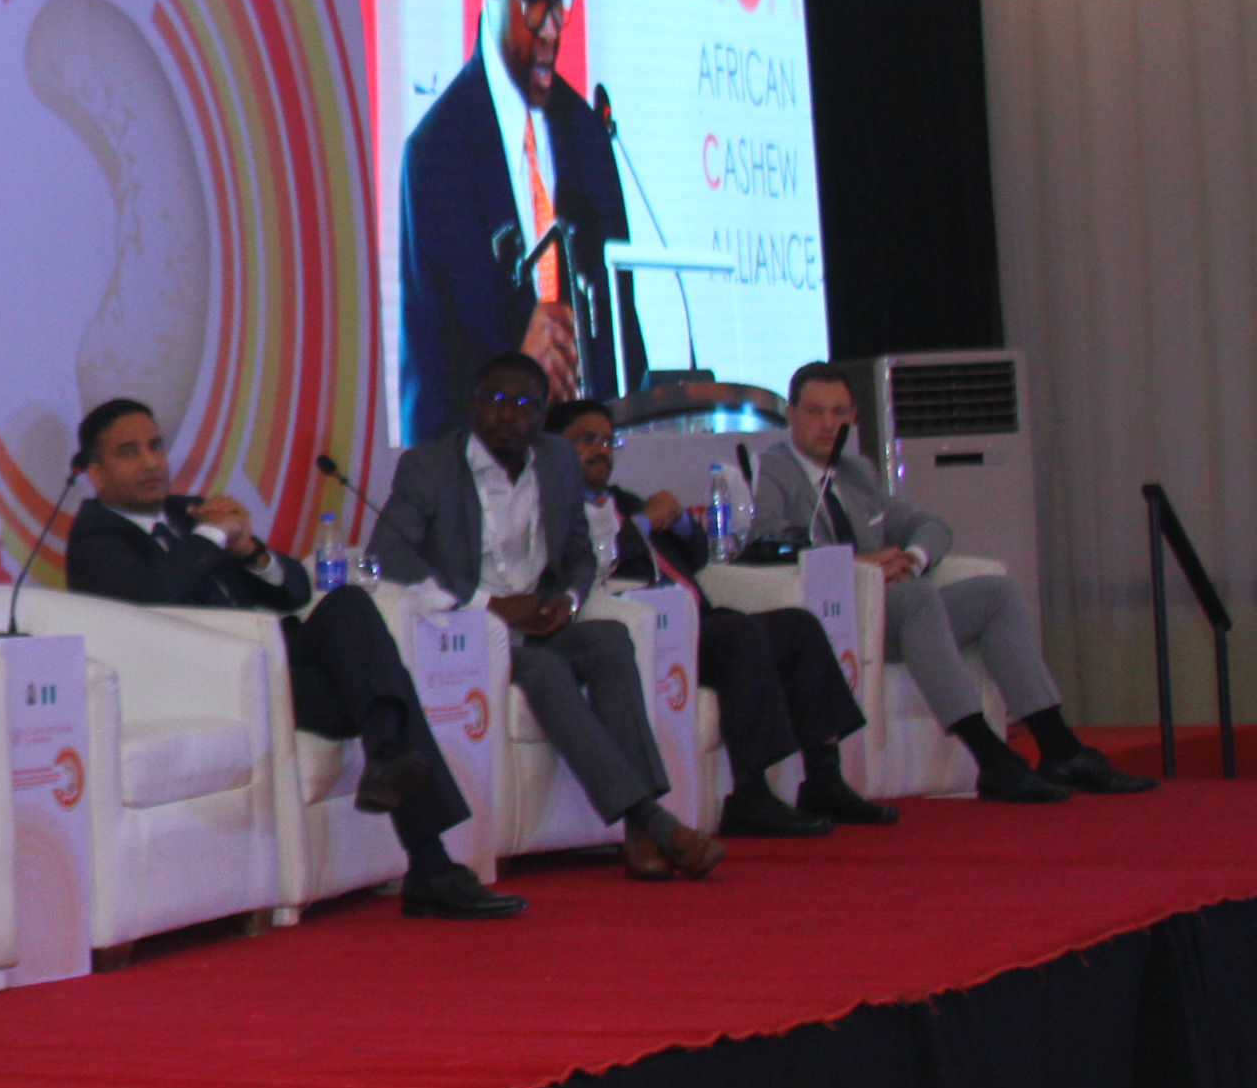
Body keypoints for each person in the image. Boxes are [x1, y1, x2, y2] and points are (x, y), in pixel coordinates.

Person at [64, 399, 520, 920]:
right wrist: (212, 536)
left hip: (275, 659)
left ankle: (390, 757)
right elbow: (156, 600)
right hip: (213, 684)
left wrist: (250, 551)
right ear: (95, 473)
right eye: (128, 453)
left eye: (155, 446)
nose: (151, 462)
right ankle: (428, 854)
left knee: (349, 605)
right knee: (379, 691)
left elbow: (295, 589)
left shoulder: (186, 512)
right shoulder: (95, 538)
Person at [372, 352, 726, 881]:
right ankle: (651, 822)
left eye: (524, 404)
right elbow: (388, 553)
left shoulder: (557, 459)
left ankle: (641, 831)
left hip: (541, 619)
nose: (508, 415)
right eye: (496, 401)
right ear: (473, 405)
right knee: (545, 670)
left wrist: (567, 600)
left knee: (609, 639)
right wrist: (489, 606)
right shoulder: (430, 466)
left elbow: (580, 552)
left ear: (542, 414)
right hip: (474, 633)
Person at [748, 364, 1154, 802]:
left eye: (838, 413)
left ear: (854, 417)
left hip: (892, 608)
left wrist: (912, 559)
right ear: (791, 414)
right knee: (916, 597)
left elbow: (931, 525)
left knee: (995, 593)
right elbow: (768, 542)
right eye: (815, 412)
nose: (828, 425)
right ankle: (992, 759)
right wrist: (865, 565)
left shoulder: (856, 472)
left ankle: (1060, 748)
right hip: (834, 616)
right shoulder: (774, 469)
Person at [394, 0, 642, 446]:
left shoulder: (588, 137)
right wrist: (514, 378)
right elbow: (426, 408)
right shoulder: (437, 156)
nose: (553, 25)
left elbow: (628, 351)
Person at [549, 398, 891, 835]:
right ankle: (750, 794)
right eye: (586, 440)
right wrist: (644, 524)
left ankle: (824, 776)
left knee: (797, 627)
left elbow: (695, 558)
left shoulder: (621, 500)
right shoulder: (556, 510)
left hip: (698, 618)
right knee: (738, 635)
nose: (601, 451)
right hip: (651, 629)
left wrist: (681, 524)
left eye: (607, 441)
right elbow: (593, 562)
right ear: (554, 448)